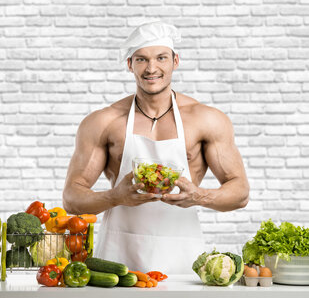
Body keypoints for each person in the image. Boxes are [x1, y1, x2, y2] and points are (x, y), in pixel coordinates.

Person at [62, 20, 249, 274]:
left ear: (175, 61)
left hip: (184, 255)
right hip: (117, 257)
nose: (152, 68)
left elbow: (240, 192)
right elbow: (71, 198)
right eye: (141, 59)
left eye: (161, 58)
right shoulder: (103, 122)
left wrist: (198, 196)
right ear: (130, 64)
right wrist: (115, 196)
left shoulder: (206, 119)